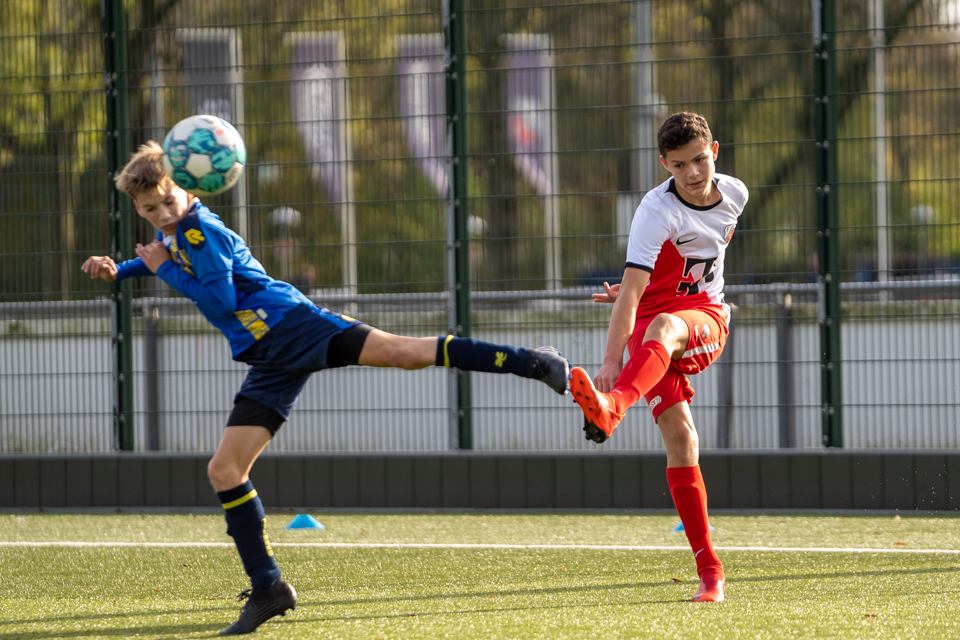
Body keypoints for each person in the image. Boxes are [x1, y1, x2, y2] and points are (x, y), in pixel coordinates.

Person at [82, 141, 571, 635]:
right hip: (270, 355)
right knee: (226, 469)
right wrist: (121, 269)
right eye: (150, 209)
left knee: (404, 354)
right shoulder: (181, 235)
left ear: (190, 186)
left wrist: (161, 265)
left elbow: (220, 295)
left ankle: (532, 361)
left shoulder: (200, 231)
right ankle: (269, 588)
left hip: (293, 326)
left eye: (169, 201)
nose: (162, 214)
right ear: (137, 208)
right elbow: (169, 257)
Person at [569, 112, 748, 603]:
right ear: (664, 164)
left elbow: (696, 262)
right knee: (682, 439)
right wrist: (610, 360)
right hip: (647, 330)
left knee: (667, 326)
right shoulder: (654, 210)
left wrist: (659, 295)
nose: (692, 174)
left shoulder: (736, 194)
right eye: (679, 166)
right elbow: (632, 293)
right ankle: (711, 573)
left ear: (715, 151)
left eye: (699, 160)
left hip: (703, 318)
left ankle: (613, 408)